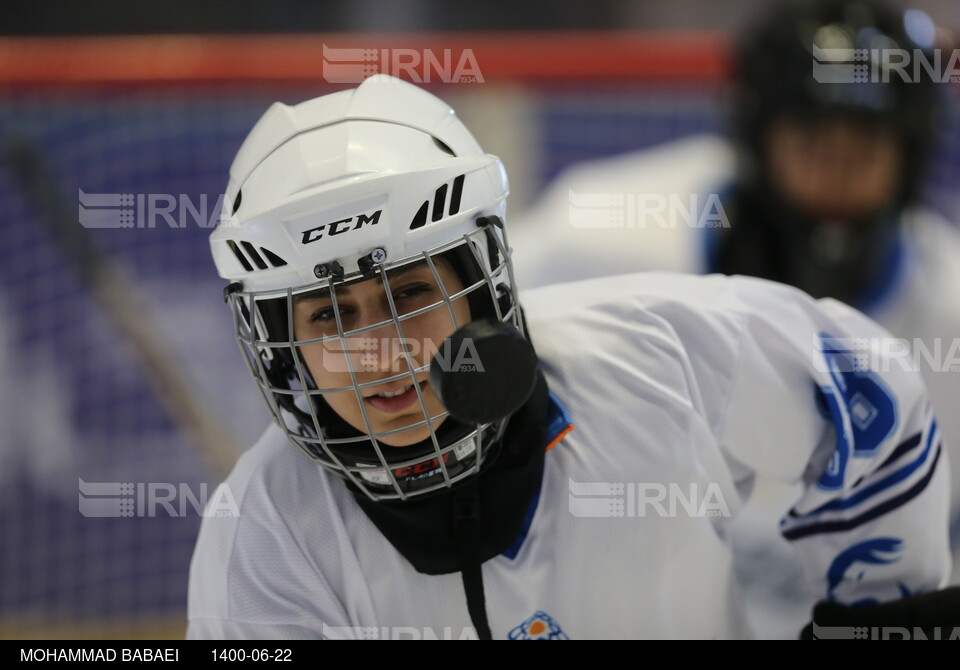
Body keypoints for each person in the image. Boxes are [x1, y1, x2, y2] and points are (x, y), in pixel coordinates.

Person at [187, 74, 953, 640]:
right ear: (281, 349)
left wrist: (876, 611)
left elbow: (864, 390)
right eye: (330, 316)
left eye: (410, 295)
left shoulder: (663, 358)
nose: (378, 353)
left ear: (480, 289)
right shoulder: (263, 535)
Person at [508, 0, 960, 634]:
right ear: (759, 137)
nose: (835, 169)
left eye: (862, 146)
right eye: (811, 140)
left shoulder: (951, 312)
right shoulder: (598, 237)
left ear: (907, 157)